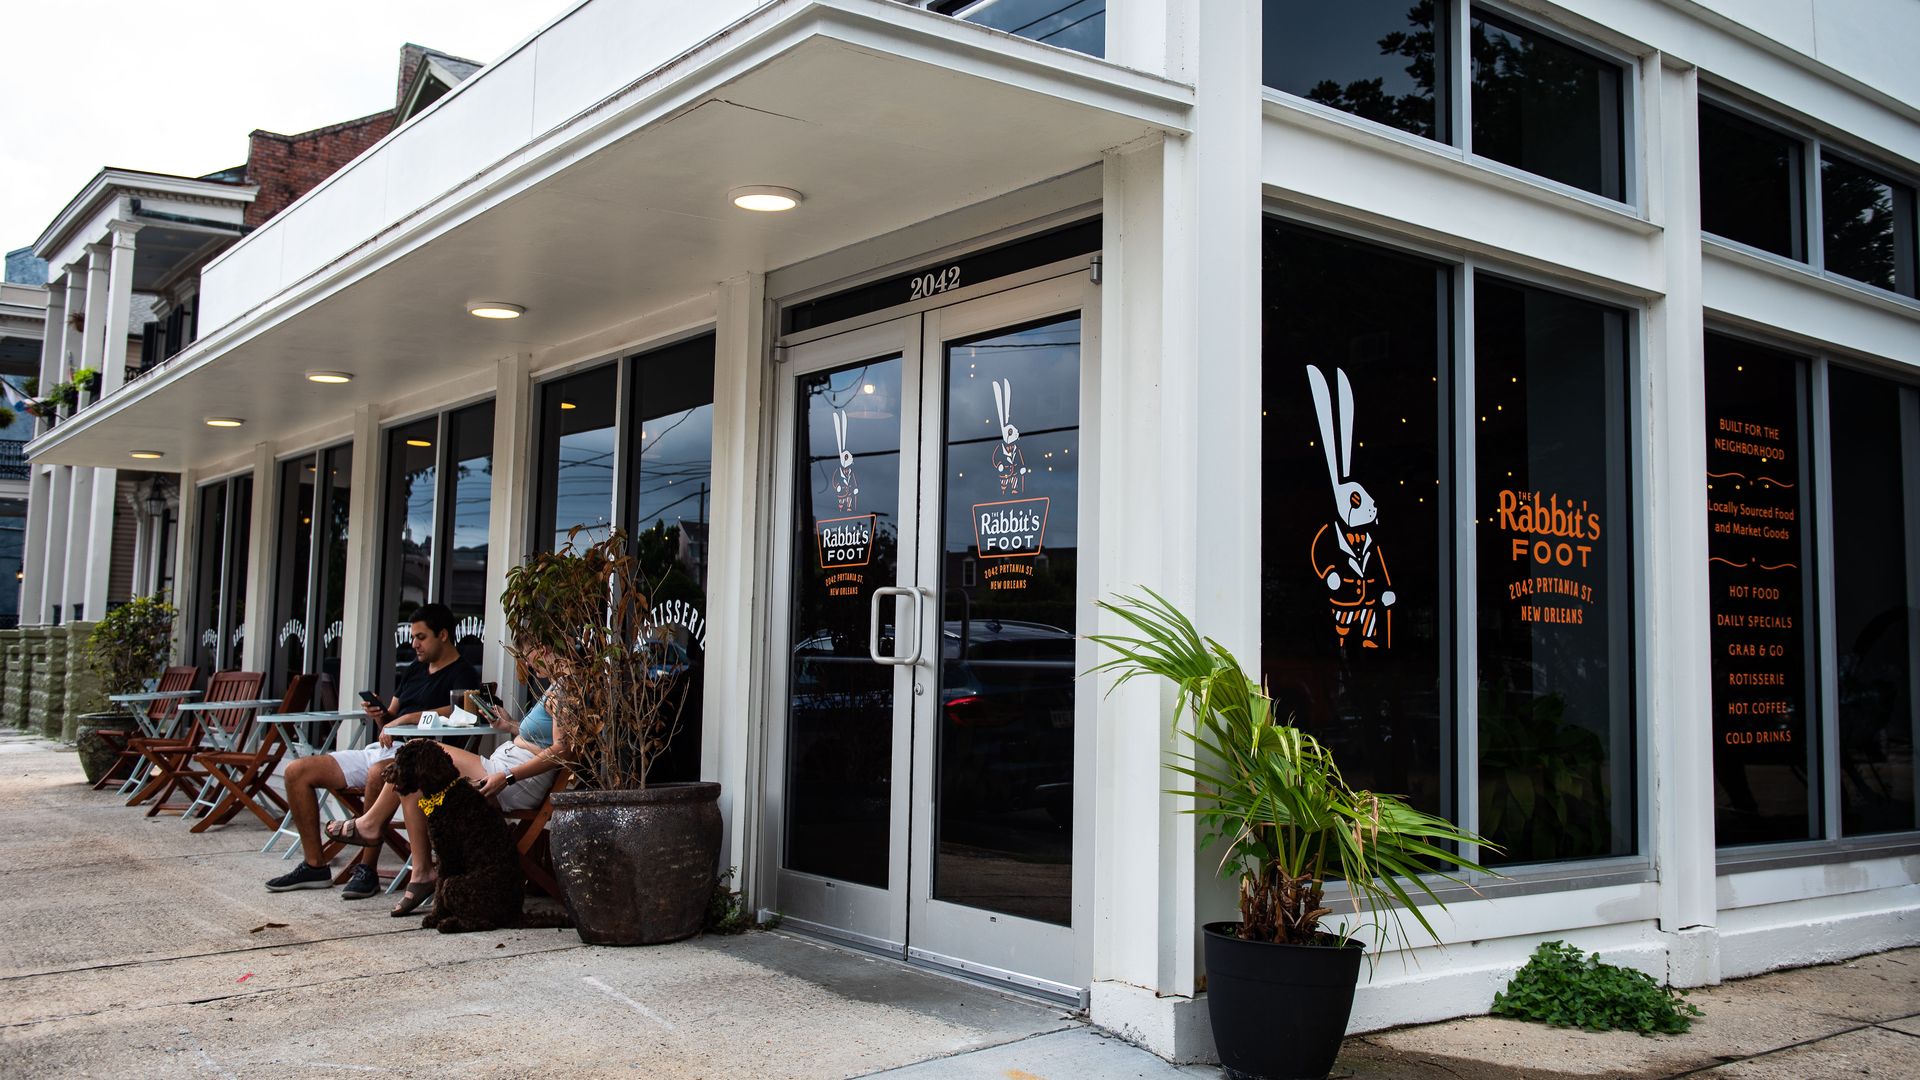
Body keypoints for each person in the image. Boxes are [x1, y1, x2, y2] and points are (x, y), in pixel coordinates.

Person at [326, 644, 569, 916]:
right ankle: (421, 874)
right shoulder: (558, 686)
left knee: (416, 751)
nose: (529, 665)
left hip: (511, 779)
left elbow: (563, 750)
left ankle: (370, 825)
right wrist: (511, 726)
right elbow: (544, 740)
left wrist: (509, 776)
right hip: (504, 768)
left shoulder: (567, 690)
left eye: (529, 655)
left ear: (545, 648)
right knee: (413, 781)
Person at [265, 603, 480, 894]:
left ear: (443, 635)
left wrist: (407, 718)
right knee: (297, 771)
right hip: (383, 749)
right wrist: (382, 714)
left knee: (380, 774)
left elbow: (461, 709)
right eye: (413, 637)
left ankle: (366, 869)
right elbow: (391, 716)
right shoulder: (414, 670)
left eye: (421, 637)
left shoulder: (462, 673)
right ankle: (315, 866)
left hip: (421, 759)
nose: (414, 643)